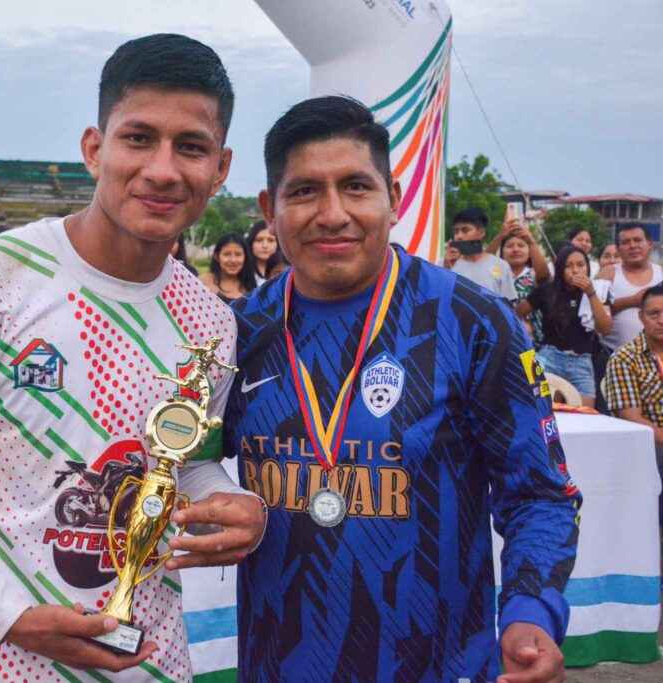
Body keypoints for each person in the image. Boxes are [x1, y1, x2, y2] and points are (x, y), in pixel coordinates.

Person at [0, 33, 266, 681]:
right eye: (139, 138)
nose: (163, 169)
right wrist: (11, 615)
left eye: (191, 147)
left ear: (220, 169)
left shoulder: (210, 322)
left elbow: (183, 466)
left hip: (149, 661)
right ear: (94, 148)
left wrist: (233, 502)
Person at [227, 96, 579, 682]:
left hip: (435, 665)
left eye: (356, 187)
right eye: (305, 191)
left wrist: (530, 610)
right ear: (270, 208)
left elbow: (540, 494)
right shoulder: (236, 331)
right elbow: (186, 466)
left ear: (393, 197)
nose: (333, 214)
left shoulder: (472, 321)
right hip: (277, 665)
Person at [516, 246, 612, 406]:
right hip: (548, 356)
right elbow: (517, 313)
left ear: (588, 267)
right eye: (568, 266)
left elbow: (606, 329)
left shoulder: (599, 290)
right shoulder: (547, 290)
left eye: (581, 265)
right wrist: (527, 330)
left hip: (582, 361)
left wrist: (590, 293)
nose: (575, 270)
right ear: (560, 269)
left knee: (586, 413)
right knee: (540, 407)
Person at [604, 284, 663, 525]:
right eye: (654, 314)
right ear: (641, 317)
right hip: (650, 447)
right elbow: (632, 419)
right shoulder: (625, 358)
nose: (661, 320)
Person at [596, 224, 663, 352]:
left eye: (637, 240)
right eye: (626, 242)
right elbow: (595, 316)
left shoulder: (661, 273)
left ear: (650, 244)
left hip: (656, 356)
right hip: (612, 354)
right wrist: (632, 300)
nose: (632, 246)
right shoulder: (608, 274)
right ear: (618, 249)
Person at [450, 208, 518, 302]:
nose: (459, 236)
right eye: (456, 232)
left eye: (465, 230)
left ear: (481, 233)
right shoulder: (447, 265)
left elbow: (509, 303)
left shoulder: (500, 265)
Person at [200, 233, 256, 303]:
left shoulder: (251, 286)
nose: (233, 260)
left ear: (245, 257)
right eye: (227, 254)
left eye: (238, 254)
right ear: (217, 257)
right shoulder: (203, 283)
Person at [246, 220, 285, 285]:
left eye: (270, 240)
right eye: (259, 240)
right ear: (251, 243)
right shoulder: (242, 272)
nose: (265, 246)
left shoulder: (287, 271)